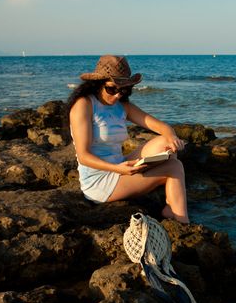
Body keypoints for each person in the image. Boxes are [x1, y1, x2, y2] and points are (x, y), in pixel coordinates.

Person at [67, 55, 189, 223]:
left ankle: (170, 205)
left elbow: (162, 127)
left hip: (120, 165)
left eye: (123, 90)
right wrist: (118, 169)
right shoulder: (84, 104)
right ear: (98, 83)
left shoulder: (122, 106)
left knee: (165, 143)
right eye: (112, 89)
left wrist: (172, 138)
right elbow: (83, 156)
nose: (117, 95)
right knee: (174, 167)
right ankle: (183, 222)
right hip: (99, 181)